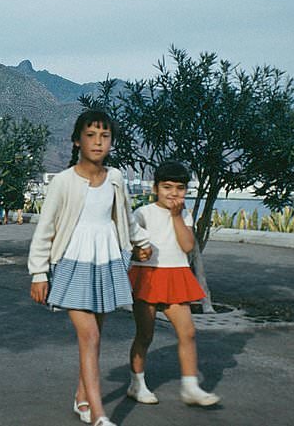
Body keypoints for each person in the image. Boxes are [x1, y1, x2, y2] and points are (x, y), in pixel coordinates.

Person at [27, 110, 152, 426]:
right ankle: (99, 415)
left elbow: (125, 216)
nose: (98, 142)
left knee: (94, 338)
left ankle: (82, 398)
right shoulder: (63, 182)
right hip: (72, 265)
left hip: (106, 262)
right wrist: (39, 273)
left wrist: (141, 241)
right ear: (77, 140)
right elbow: (45, 229)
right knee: (91, 336)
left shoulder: (115, 178)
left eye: (105, 136)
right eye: (91, 135)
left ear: (111, 142)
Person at [126, 160, 220, 407]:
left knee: (188, 332)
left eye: (180, 188)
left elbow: (187, 246)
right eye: (167, 187)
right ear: (155, 188)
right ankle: (136, 384)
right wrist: (136, 252)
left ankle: (190, 387)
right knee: (145, 334)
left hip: (176, 275)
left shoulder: (184, 214)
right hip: (147, 277)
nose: (173, 193)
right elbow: (129, 245)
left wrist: (177, 217)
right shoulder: (143, 213)